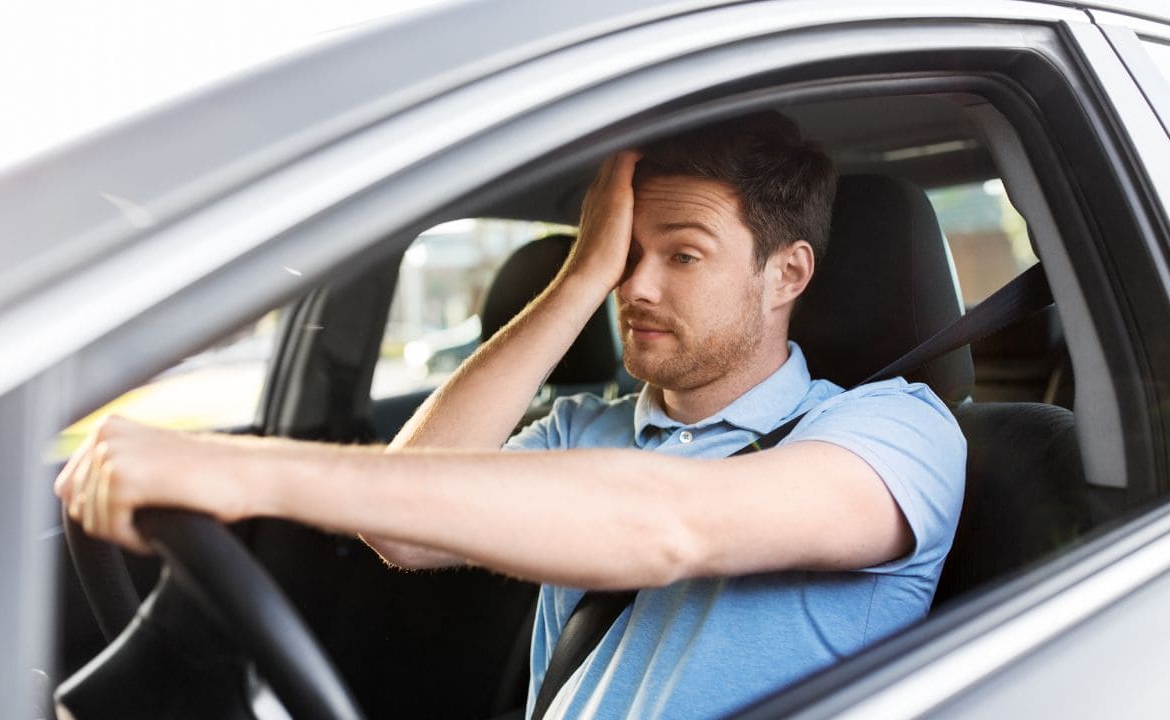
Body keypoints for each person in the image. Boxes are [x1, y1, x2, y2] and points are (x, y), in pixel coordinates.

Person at [56, 112, 965, 719]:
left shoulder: (893, 434)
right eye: (625, 253)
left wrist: (237, 469)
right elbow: (401, 531)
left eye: (682, 255)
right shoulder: (584, 430)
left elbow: (669, 525)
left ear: (788, 276)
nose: (636, 287)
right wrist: (576, 277)